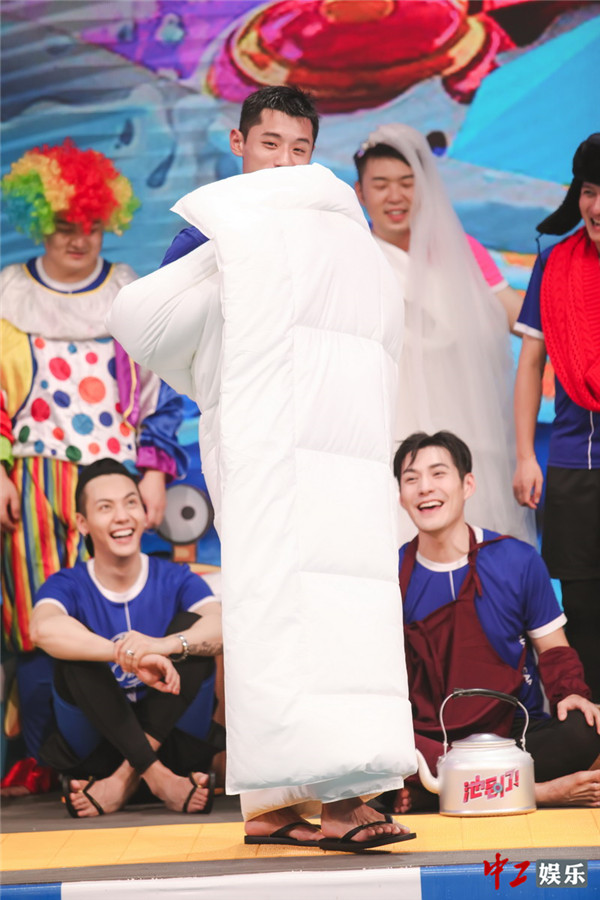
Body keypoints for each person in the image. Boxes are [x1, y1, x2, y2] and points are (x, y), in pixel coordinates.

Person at [108, 85, 417, 851]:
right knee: (281, 613)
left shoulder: (337, 235)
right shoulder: (217, 233)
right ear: (238, 143)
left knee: (315, 614)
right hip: (263, 452)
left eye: (300, 150)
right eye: (270, 144)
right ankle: (325, 802)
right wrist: (219, 374)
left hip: (333, 449)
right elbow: (147, 321)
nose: (284, 162)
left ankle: (287, 802)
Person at [0, 139, 187, 795]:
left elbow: (161, 390)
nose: (78, 239)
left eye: (90, 224)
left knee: (122, 617)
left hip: (114, 481)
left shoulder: (127, 291)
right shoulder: (8, 293)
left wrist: (155, 470)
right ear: (39, 222)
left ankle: (121, 757)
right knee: (37, 621)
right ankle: (45, 756)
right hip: (36, 479)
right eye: (63, 225)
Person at [390, 430, 600, 813]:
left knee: (583, 730)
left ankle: (440, 790)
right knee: (383, 746)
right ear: (401, 496)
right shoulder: (391, 576)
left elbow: (553, 647)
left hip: (513, 736)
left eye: (438, 473)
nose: (425, 487)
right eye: (411, 478)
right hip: (432, 741)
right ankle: (539, 791)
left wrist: (570, 693)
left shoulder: (517, 559)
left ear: (467, 485)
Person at [353, 126, 535, 546]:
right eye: (381, 185)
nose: (395, 196)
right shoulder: (352, 256)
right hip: (386, 435)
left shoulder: (461, 250)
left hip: (466, 431)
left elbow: (523, 319)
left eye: (407, 183)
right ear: (360, 193)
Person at [30, 458, 223, 818]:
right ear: (82, 523)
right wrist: (125, 654)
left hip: (172, 744)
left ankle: (125, 779)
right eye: (106, 507)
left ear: (144, 512)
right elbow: (42, 628)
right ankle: (157, 778)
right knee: (74, 646)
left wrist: (163, 646)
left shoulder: (175, 576)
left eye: (131, 503)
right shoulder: (67, 583)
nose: (122, 516)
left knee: (192, 631)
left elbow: (222, 626)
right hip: (98, 748)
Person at [513, 133, 600, 703]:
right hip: (575, 464)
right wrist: (526, 455)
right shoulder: (555, 264)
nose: (597, 206)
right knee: (584, 612)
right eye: (589, 191)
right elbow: (530, 365)